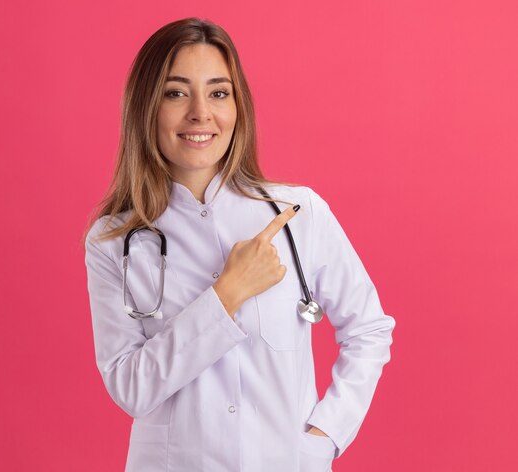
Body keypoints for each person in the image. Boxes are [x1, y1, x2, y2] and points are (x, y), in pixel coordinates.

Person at [83, 17, 395, 472]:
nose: (200, 113)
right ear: (146, 107)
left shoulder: (297, 214)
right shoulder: (115, 241)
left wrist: (325, 437)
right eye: (175, 92)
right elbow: (131, 388)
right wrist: (227, 293)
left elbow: (369, 329)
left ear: (238, 107)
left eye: (218, 92)